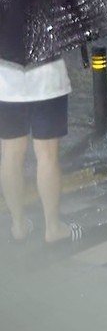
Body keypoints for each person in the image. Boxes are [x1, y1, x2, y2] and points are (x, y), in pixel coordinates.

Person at [0, 57, 80, 243]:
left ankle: (18, 226)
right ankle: (53, 228)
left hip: (5, 81)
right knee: (47, 156)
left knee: (10, 155)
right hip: (48, 79)